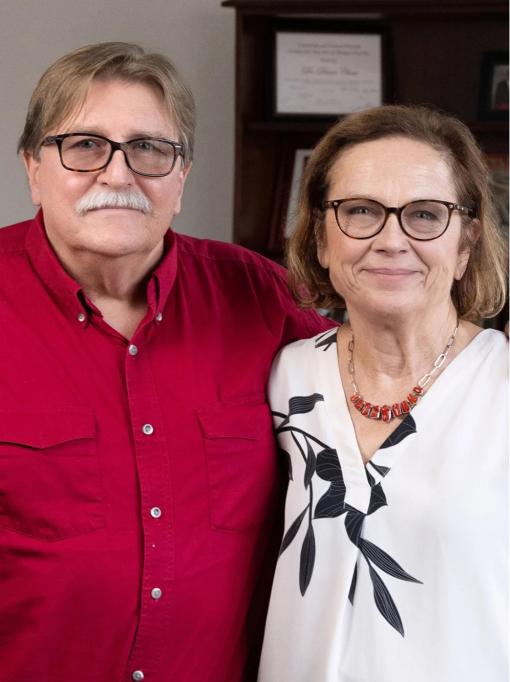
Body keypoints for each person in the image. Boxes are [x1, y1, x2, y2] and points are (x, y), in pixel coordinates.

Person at [0, 43, 332, 682]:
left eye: (150, 149)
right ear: (33, 168)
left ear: (180, 178)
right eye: (85, 145)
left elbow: (391, 382)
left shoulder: (260, 297)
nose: (119, 175)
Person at [257, 105, 509, 681]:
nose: (391, 240)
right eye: (361, 211)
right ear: (320, 237)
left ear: (466, 243)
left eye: (425, 214)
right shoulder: (284, 380)